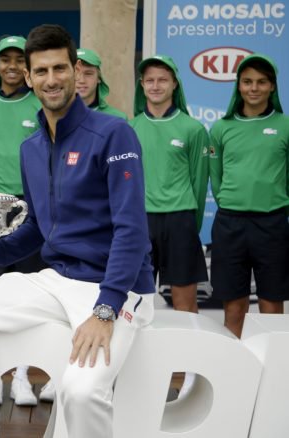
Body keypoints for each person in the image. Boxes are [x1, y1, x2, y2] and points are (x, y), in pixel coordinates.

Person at [0, 24, 155, 438]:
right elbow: (39, 226)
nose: (51, 80)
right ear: (28, 76)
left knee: (81, 391)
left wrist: (105, 310)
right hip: (57, 281)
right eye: (41, 71)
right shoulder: (32, 148)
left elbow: (132, 230)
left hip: (118, 288)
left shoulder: (114, 133)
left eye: (59, 68)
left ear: (76, 70)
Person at [130, 54, 209, 399]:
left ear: (174, 84)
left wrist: (187, 226)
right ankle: (139, 373)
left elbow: (199, 181)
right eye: (150, 80)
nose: (156, 85)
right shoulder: (130, 127)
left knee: (184, 302)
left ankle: (189, 373)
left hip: (179, 220)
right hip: (140, 222)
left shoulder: (192, 129)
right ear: (142, 85)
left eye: (163, 79)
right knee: (136, 302)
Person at [0, 35, 45, 406]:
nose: (13, 66)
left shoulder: (39, 103)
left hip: (31, 205)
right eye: (7, 60)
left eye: (20, 59)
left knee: (28, 291)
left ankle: (21, 376)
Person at [209, 53, 289, 338]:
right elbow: (215, 177)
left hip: (272, 225)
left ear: (272, 87)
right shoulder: (221, 128)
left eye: (261, 82)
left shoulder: (284, 125)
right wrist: (233, 204)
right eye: (247, 82)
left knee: (271, 305)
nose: (254, 88)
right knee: (233, 308)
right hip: (230, 224)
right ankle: (234, 376)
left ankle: (274, 377)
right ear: (238, 86)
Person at [75, 48, 127, 119]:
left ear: (99, 78)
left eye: (88, 74)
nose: (82, 80)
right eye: (75, 74)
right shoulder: (56, 117)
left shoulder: (117, 118)